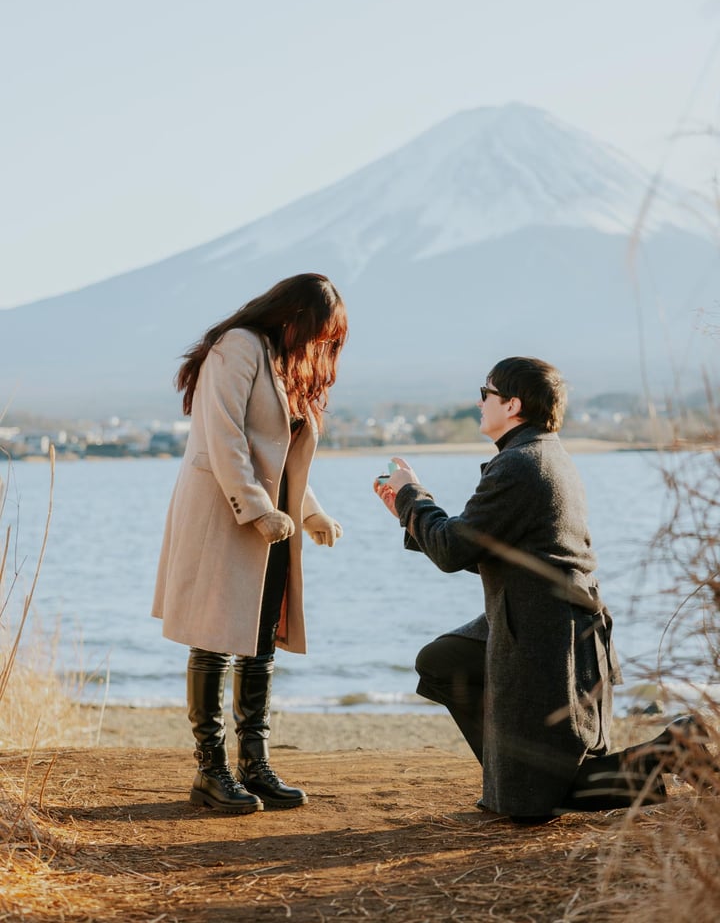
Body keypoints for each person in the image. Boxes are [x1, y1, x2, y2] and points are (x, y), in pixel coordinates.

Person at [374, 356, 716, 822]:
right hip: (540, 623)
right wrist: (409, 512)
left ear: (512, 404)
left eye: (486, 393)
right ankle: (512, 776)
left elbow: (454, 549)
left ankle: (673, 748)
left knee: (543, 802)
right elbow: (492, 552)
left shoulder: (520, 464)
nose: (479, 402)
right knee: (442, 662)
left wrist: (413, 496)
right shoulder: (538, 454)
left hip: (552, 640)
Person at [152, 273, 347, 815]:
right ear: (294, 317)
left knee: (260, 641)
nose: (323, 344)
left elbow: (279, 456)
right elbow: (225, 436)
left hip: (272, 522)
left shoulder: (285, 363)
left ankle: (254, 766)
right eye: (322, 332)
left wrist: (310, 512)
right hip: (225, 514)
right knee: (213, 638)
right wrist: (259, 510)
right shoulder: (238, 346)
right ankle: (210, 770)